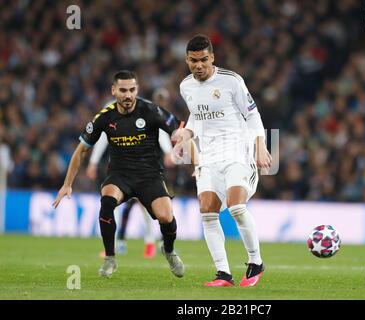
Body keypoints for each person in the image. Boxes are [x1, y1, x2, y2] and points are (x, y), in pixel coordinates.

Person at [53, 70, 185, 278]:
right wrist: (67, 183)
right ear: (114, 91)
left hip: (149, 175)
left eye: (132, 90)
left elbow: (179, 130)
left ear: (137, 90)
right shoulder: (104, 117)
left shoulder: (151, 111)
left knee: (166, 217)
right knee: (106, 202)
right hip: (119, 175)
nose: (128, 95)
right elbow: (81, 150)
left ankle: (168, 251)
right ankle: (110, 258)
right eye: (123, 90)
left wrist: (180, 140)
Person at [174, 34, 272, 287]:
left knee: (237, 207)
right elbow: (197, 116)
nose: (199, 65)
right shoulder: (186, 86)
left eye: (204, 60)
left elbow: (253, 115)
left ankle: (256, 262)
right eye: (194, 61)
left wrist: (260, 146)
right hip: (208, 156)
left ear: (212, 57)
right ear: (187, 60)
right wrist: (187, 134)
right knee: (207, 212)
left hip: (238, 151)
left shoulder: (231, 81)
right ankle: (223, 274)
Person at [86, 88, 175, 259]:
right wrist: (93, 162)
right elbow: (101, 139)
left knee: (144, 205)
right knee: (113, 204)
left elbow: (160, 130)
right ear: (114, 90)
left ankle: (148, 242)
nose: (126, 95)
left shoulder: (145, 109)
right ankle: (118, 244)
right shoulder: (109, 110)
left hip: (146, 167)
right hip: (120, 168)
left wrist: (168, 151)